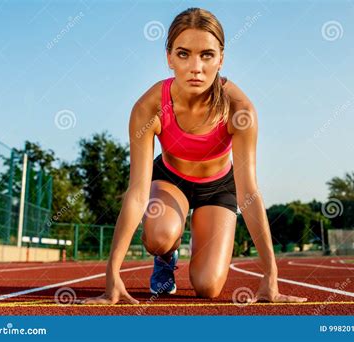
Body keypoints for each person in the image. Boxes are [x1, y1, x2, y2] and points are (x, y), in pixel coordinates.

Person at [83, 7, 307, 305]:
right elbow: (137, 191)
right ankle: (165, 256)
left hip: (218, 189)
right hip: (169, 182)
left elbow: (249, 192)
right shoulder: (149, 108)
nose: (196, 67)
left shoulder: (240, 111)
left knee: (208, 287)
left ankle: (197, 238)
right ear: (169, 58)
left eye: (207, 55)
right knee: (159, 235)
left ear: (221, 59)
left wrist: (271, 277)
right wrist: (113, 275)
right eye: (184, 53)